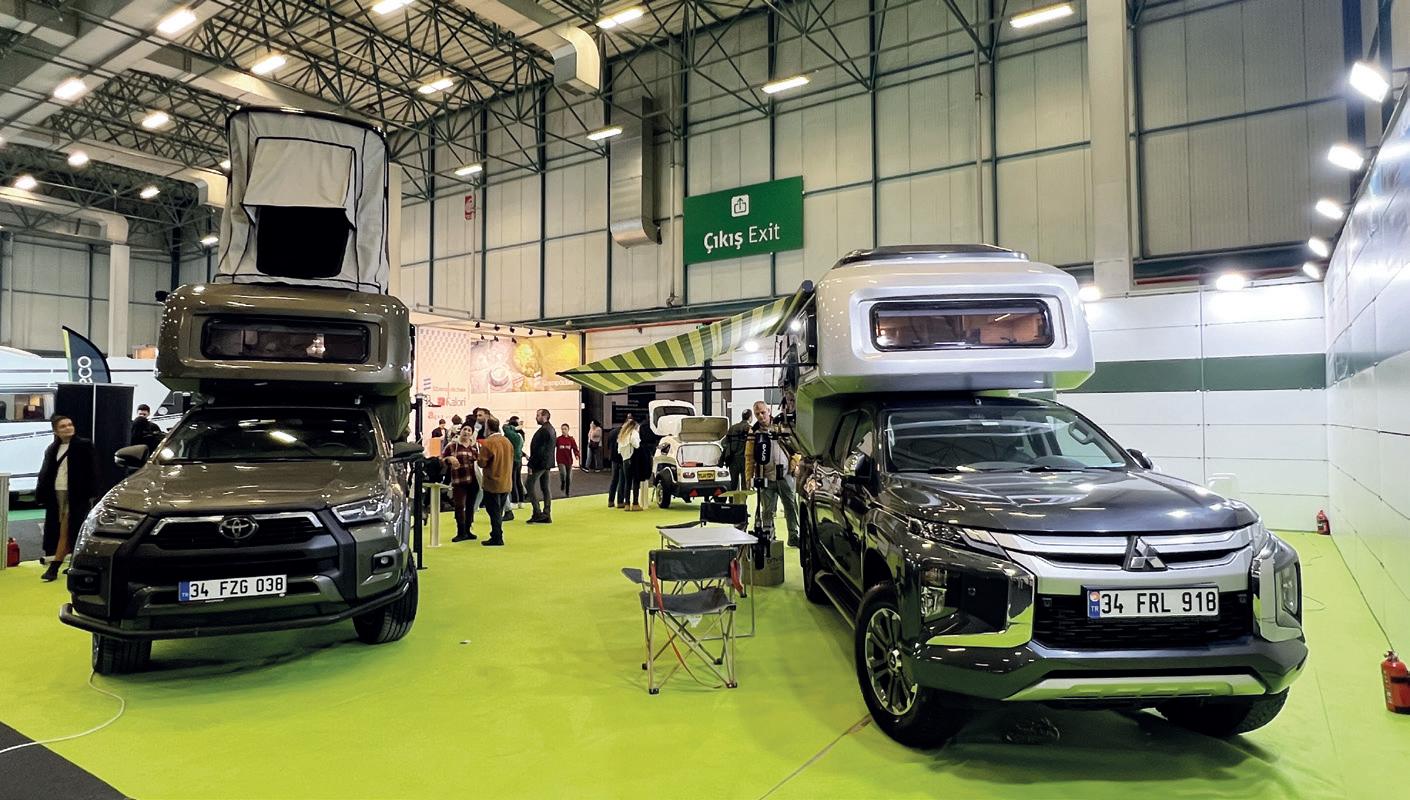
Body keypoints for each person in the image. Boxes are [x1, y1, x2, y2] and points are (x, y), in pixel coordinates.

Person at [35, 416, 99, 581]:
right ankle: (74, 563)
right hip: (57, 491)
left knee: (66, 526)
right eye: (63, 426)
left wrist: (91, 492)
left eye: (70, 424)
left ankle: (54, 566)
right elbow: (45, 472)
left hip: (76, 493)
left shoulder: (84, 445)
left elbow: (92, 470)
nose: (68, 428)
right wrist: (41, 493)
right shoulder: (52, 449)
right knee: (65, 527)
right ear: (55, 431)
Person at [750, 401, 800, 547]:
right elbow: (750, 457)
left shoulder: (781, 426)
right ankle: (769, 537)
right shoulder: (755, 432)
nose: (761, 416)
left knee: (791, 507)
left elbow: (797, 447)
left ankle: (793, 536)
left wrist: (795, 463)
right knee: (767, 510)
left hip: (785, 474)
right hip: (766, 476)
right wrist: (750, 477)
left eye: (763, 412)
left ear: (769, 411)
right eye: (757, 414)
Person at [475, 416, 513, 547]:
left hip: (492, 482)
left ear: (488, 428)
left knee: (494, 512)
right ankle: (496, 534)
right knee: (499, 510)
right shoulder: (506, 441)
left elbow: (482, 463)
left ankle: (497, 536)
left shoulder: (488, 443)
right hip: (506, 481)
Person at [440, 426, 479, 541]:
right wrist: (449, 459)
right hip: (458, 481)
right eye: (464, 429)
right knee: (459, 506)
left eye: (469, 430)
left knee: (470, 506)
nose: (466, 432)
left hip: (473, 481)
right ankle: (460, 532)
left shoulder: (475, 448)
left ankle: (468, 530)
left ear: (472, 434)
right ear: (460, 431)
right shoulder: (452, 446)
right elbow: (441, 460)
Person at [526, 408, 556, 523]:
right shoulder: (551, 429)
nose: (536, 417)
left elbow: (538, 450)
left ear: (544, 416)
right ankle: (546, 513)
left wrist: (531, 464)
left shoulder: (543, 430)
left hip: (540, 463)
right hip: (547, 463)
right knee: (545, 488)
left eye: (538, 415)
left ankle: (537, 512)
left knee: (529, 485)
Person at [615, 417, 641, 510]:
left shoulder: (622, 435)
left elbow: (619, 450)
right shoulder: (633, 433)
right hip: (633, 460)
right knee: (636, 482)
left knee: (627, 482)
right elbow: (636, 445)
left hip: (625, 460)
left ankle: (627, 504)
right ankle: (635, 504)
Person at [723, 408, 751, 490]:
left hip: (733, 460)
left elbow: (724, 442)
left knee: (733, 484)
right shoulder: (750, 429)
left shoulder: (732, 428)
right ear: (750, 417)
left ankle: (732, 498)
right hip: (745, 460)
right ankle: (743, 498)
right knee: (745, 483)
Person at [504, 416, 526, 509]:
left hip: (512, 460)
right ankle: (521, 501)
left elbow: (505, 428)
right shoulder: (521, 436)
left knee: (513, 480)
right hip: (519, 460)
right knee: (518, 480)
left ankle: (514, 501)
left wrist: (512, 427)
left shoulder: (513, 436)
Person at [555, 424, 579, 497]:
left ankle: (567, 492)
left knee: (568, 477)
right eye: (562, 429)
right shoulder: (558, 439)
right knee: (563, 474)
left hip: (568, 460)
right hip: (560, 460)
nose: (563, 430)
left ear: (568, 430)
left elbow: (575, 448)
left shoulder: (571, 439)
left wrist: (576, 455)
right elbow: (552, 446)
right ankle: (563, 482)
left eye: (565, 429)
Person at [603, 420, 622, 508]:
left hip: (613, 458)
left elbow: (608, 445)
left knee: (614, 480)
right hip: (621, 458)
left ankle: (611, 501)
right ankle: (620, 501)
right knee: (622, 480)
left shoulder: (611, 432)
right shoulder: (624, 433)